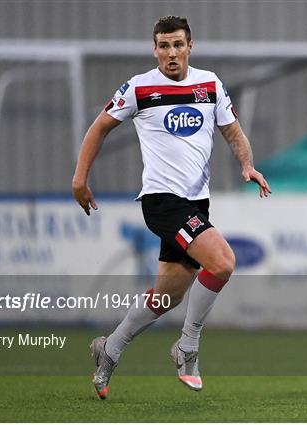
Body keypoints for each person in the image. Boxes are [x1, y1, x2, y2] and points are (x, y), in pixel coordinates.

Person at [72, 16, 271, 399]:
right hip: (162, 201)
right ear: (155, 50)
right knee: (223, 261)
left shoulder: (209, 84)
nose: (171, 53)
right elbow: (99, 127)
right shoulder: (139, 88)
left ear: (190, 46)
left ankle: (108, 350)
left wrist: (247, 164)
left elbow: (232, 131)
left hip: (196, 203)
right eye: (163, 46)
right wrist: (80, 179)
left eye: (177, 45)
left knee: (169, 295)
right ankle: (187, 347)